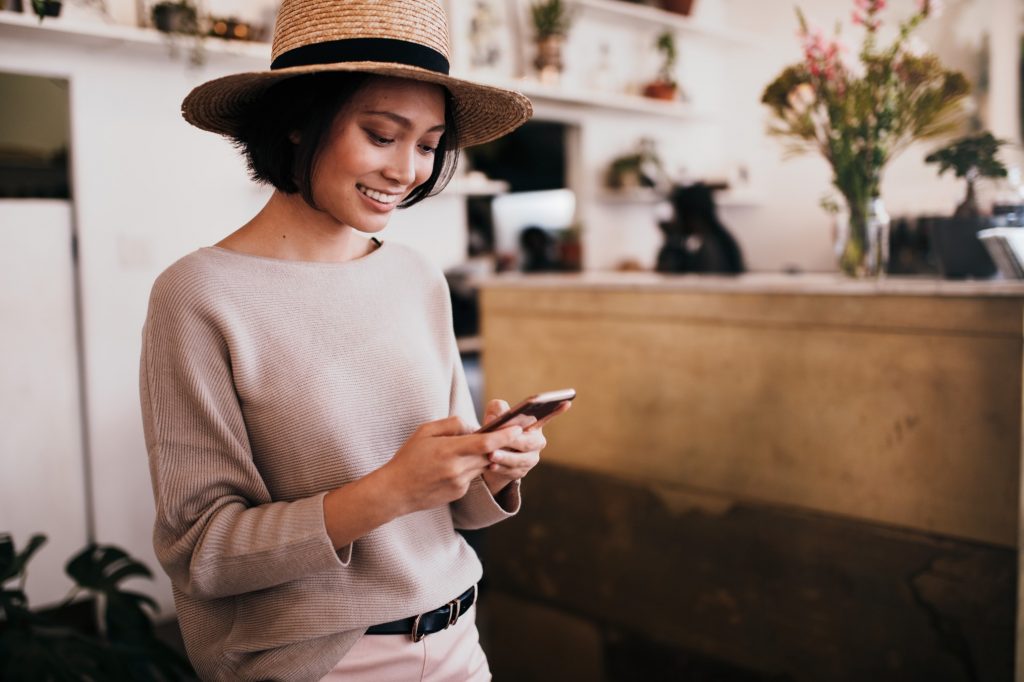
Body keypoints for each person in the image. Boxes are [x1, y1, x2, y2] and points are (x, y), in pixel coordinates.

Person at [138, 1, 570, 680]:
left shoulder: (416, 277)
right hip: (326, 661)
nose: (407, 170)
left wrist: (491, 466)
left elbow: (448, 504)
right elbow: (204, 553)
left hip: (459, 639)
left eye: (428, 144)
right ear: (296, 121)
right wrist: (389, 490)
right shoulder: (198, 296)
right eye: (381, 134)